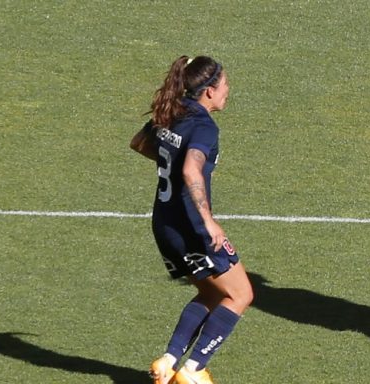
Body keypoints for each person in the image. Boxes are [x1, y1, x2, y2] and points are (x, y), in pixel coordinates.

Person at [130, 55, 253, 384]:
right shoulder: (203, 126)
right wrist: (209, 221)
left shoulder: (172, 112)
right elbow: (189, 170)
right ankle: (193, 370)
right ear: (210, 91)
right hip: (193, 227)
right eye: (225, 84)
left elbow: (139, 143)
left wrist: (170, 158)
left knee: (212, 294)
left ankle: (167, 363)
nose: (229, 90)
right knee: (240, 295)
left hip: (164, 223)